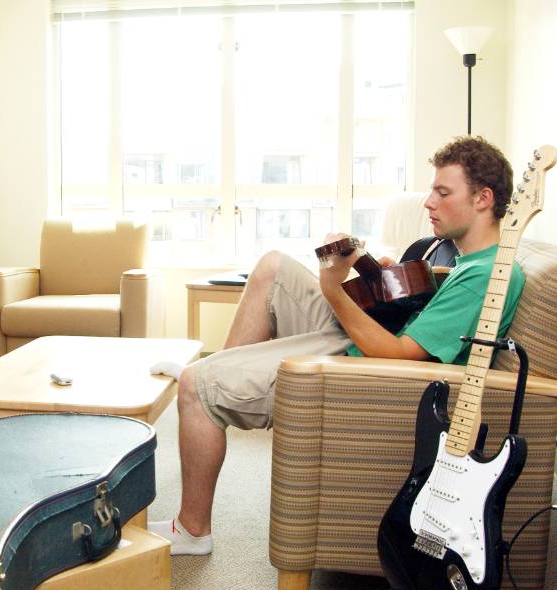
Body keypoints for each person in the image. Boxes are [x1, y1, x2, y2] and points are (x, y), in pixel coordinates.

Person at [148, 136, 525, 555]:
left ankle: (193, 527)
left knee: (196, 385)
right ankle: (225, 375)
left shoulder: (488, 277)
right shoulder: (467, 262)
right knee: (273, 267)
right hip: (358, 346)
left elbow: (401, 354)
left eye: (442, 192)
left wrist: (333, 288)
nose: (429, 203)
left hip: (362, 370)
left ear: (483, 199)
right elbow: (421, 309)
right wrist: (381, 272)